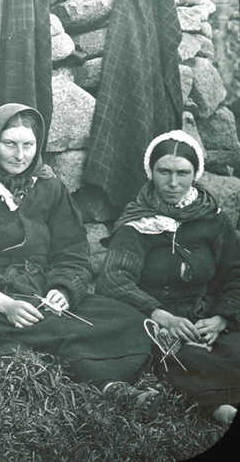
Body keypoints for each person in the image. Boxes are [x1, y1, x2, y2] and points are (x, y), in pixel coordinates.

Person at [0, 103, 154, 401]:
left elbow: (73, 253)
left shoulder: (49, 186)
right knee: (59, 330)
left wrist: (63, 290)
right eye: (9, 144)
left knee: (127, 318)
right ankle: (108, 385)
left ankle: (104, 373)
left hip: (42, 292)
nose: (20, 155)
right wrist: (7, 304)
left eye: (28, 145)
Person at [96, 130, 240, 425]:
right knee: (180, 359)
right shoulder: (138, 221)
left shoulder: (213, 218)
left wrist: (221, 319)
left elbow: (234, 272)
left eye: (182, 173)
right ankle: (217, 405)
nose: (173, 183)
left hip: (207, 317)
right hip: (158, 322)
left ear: (195, 173)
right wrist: (163, 317)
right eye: (164, 172)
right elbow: (113, 279)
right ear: (151, 171)